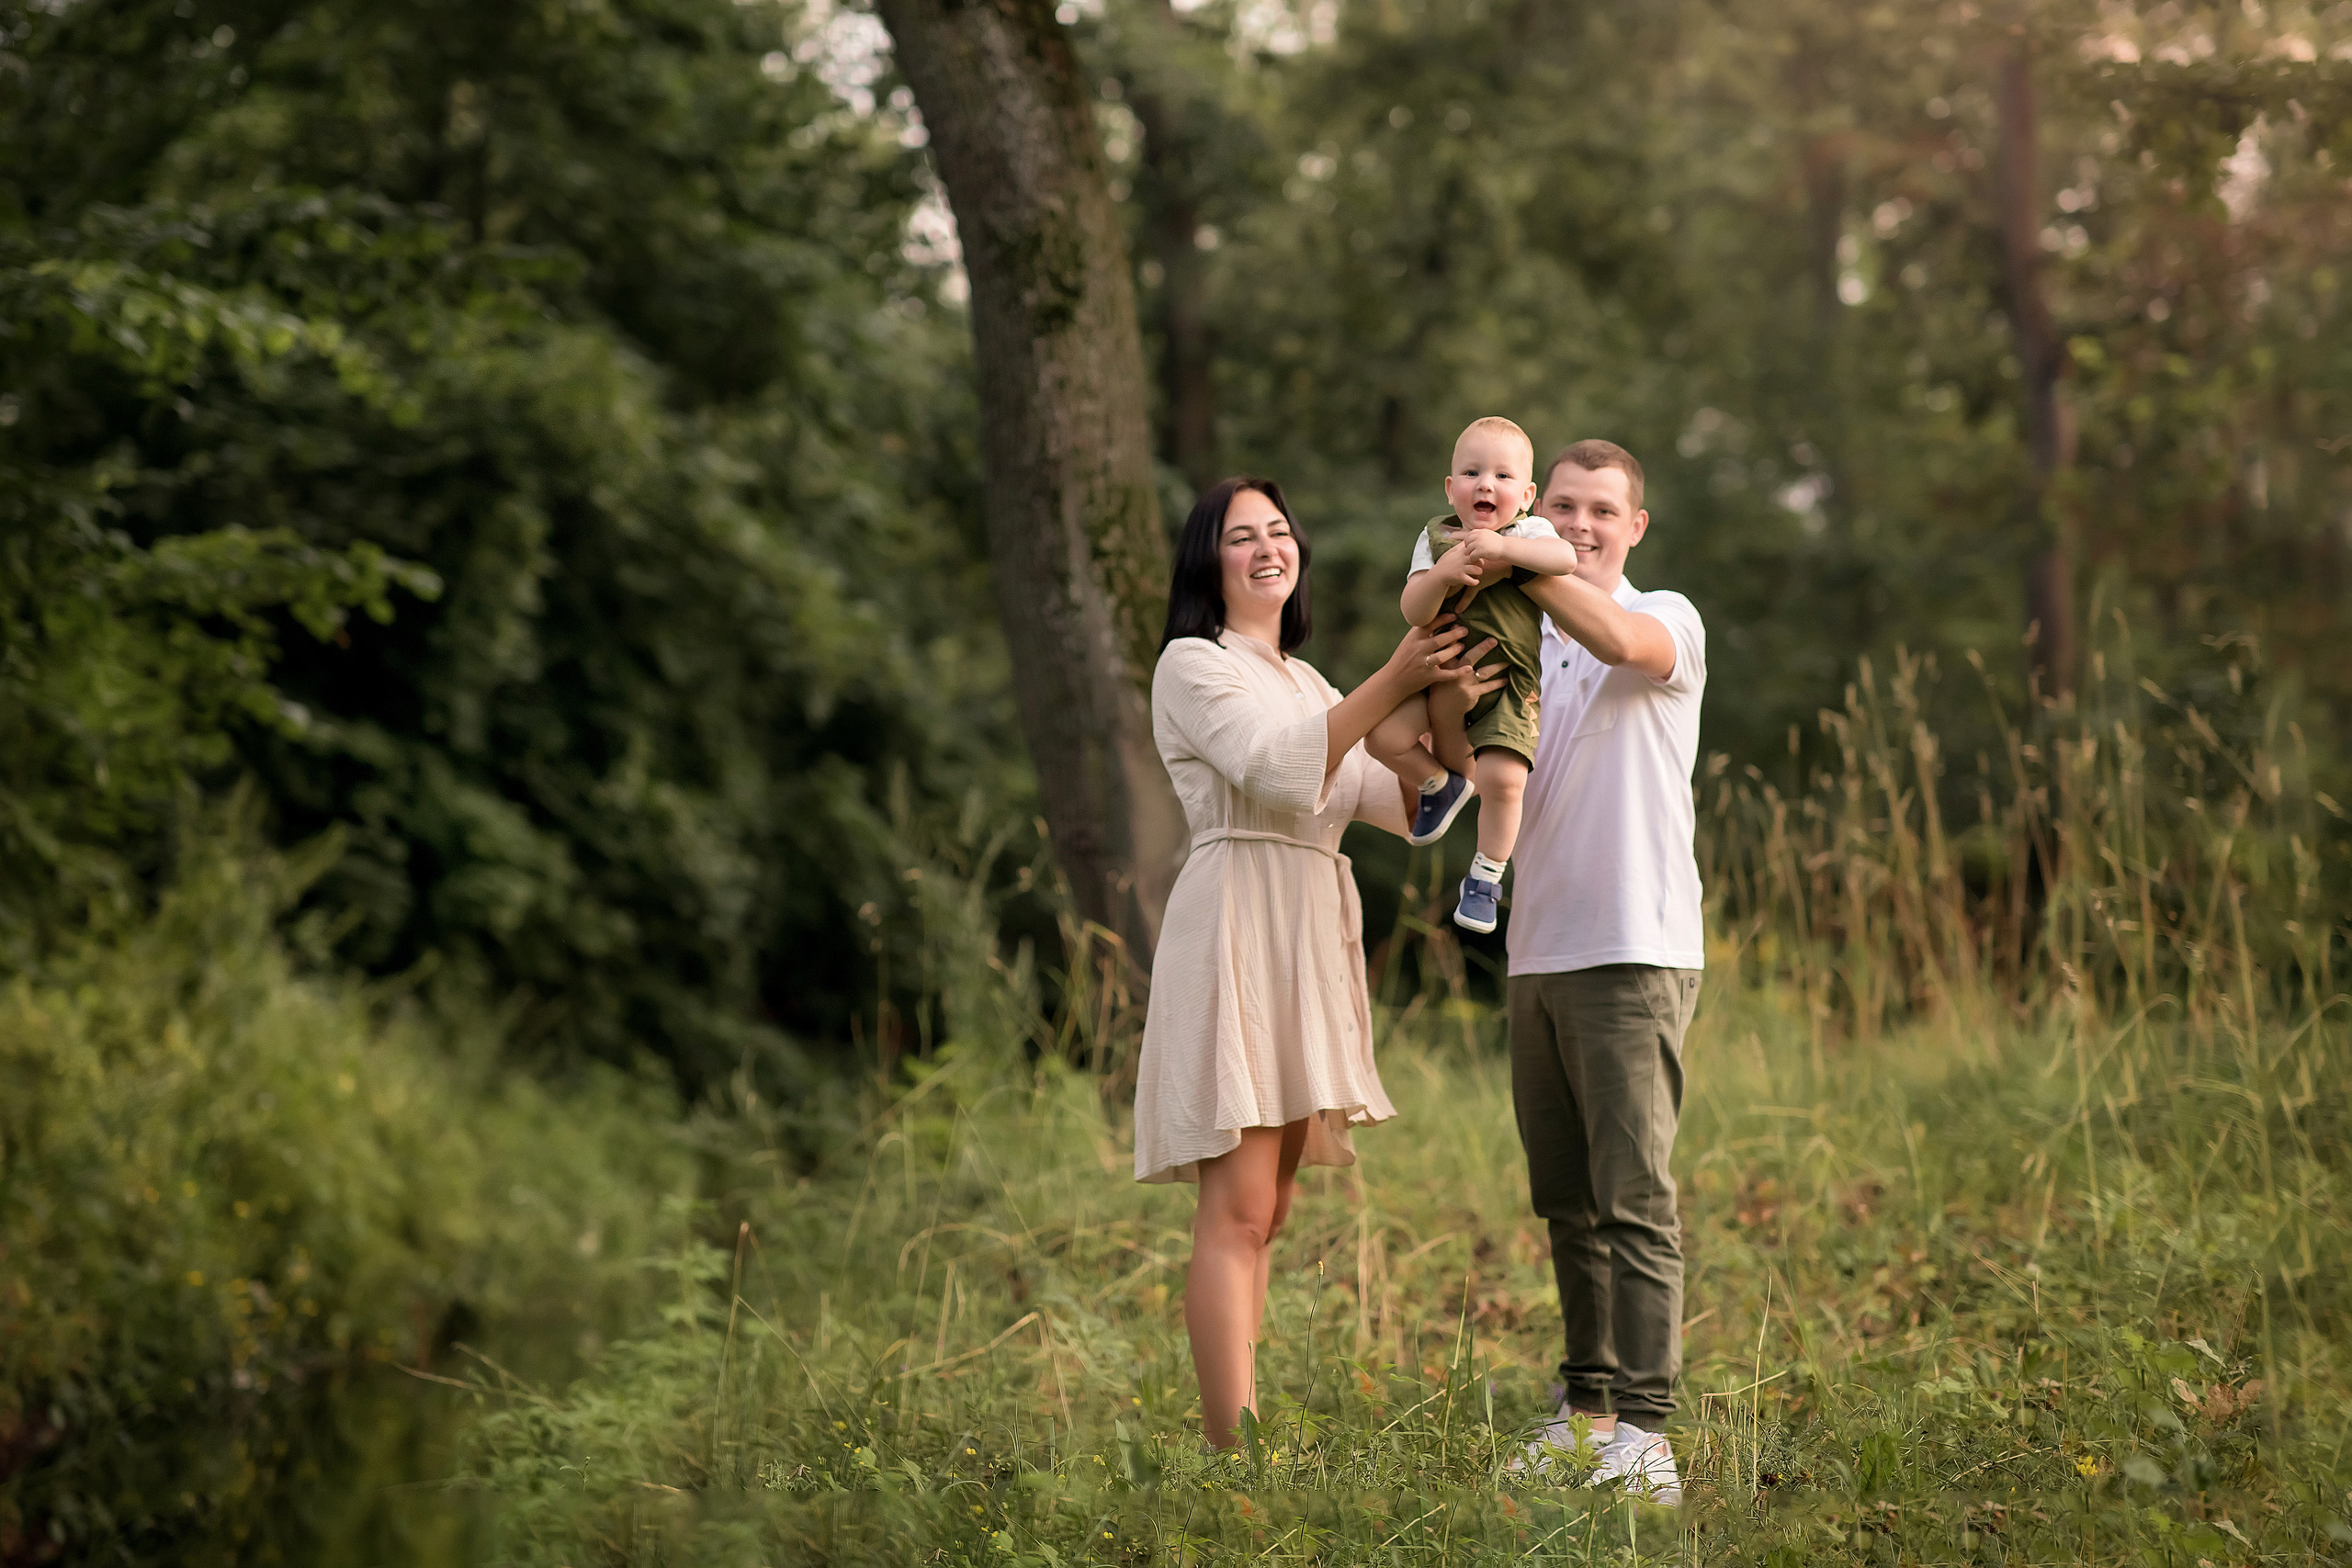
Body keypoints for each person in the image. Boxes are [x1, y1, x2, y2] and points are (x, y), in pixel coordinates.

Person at [1135, 475, 1491, 1450]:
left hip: (1304, 926)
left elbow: (1412, 803)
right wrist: (1393, 673)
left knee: (1274, 1205)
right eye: (1241, 536)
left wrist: (1447, 696)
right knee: (1239, 1206)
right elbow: (1275, 769)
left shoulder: (1309, 681)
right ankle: (1230, 1452)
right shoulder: (1192, 664)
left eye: (1280, 532)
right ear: (1210, 560)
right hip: (1238, 921)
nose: (1266, 549)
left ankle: (1235, 1426)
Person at [1439, 439, 1705, 1504]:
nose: (1584, 523)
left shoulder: (1666, 616)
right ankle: (1586, 1410)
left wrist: (1508, 549)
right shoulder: (1525, 643)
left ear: (1635, 526)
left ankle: (1644, 1430)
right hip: (1537, 950)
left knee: (1631, 1196)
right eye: (1565, 504)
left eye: (1604, 510)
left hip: (1633, 947)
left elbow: (1616, 635)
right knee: (1565, 1199)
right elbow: (1467, 777)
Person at [1366, 416, 1580, 935]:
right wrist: (1440, 574)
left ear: (1527, 495)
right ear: (1450, 487)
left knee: (1505, 780)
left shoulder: (1528, 533)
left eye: (1504, 477)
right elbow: (1414, 611)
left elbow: (1566, 558)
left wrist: (1507, 550)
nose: (1486, 484)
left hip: (1508, 685)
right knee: (1383, 738)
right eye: (1472, 472)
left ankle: (1485, 876)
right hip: (1441, 674)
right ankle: (1438, 784)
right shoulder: (1436, 537)